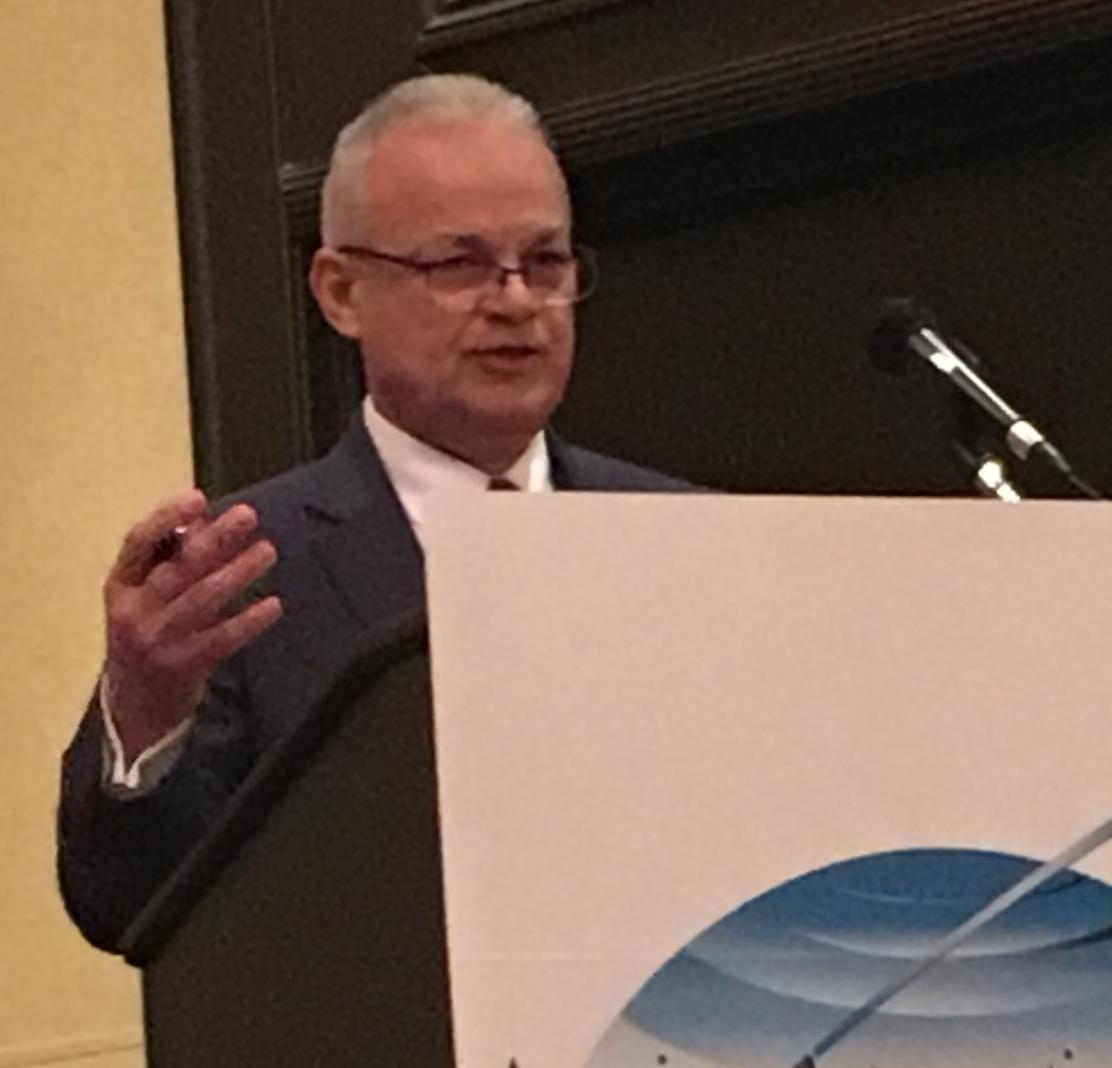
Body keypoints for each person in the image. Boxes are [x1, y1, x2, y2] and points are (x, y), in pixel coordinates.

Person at [58, 72, 692, 952]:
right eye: (459, 264)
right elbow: (126, 903)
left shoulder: (690, 540)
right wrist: (146, 714)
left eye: (545, 262)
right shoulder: (240, 574)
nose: (516, 301)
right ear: (341, 292)